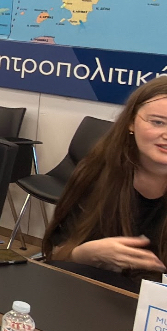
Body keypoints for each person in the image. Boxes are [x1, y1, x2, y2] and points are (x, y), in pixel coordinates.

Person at [43, 78, 167, 278]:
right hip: (93, 289)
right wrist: (88, 254)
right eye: (158, 122)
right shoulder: (96, 173)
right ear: (131, 122)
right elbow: (56, 256)